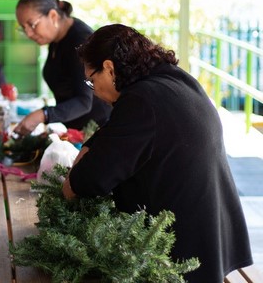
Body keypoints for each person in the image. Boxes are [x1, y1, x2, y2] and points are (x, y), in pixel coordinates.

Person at [62, 24, 252, 282]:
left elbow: (86, 181)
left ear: (109, 68)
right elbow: (114, 134)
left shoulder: (141, 101)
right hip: (214, 236)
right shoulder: (173, 79)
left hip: (180, 256)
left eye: (91, 80)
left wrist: (72, 181)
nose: (93, 90)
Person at [13, 0, 111, 134]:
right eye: (23, 28)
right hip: (74, 131)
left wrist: (44, 115)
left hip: (97, 132)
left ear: (53, 16)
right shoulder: (56, 38)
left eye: (32, 25)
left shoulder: (80, 41)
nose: (28, 33)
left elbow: (84, 102)